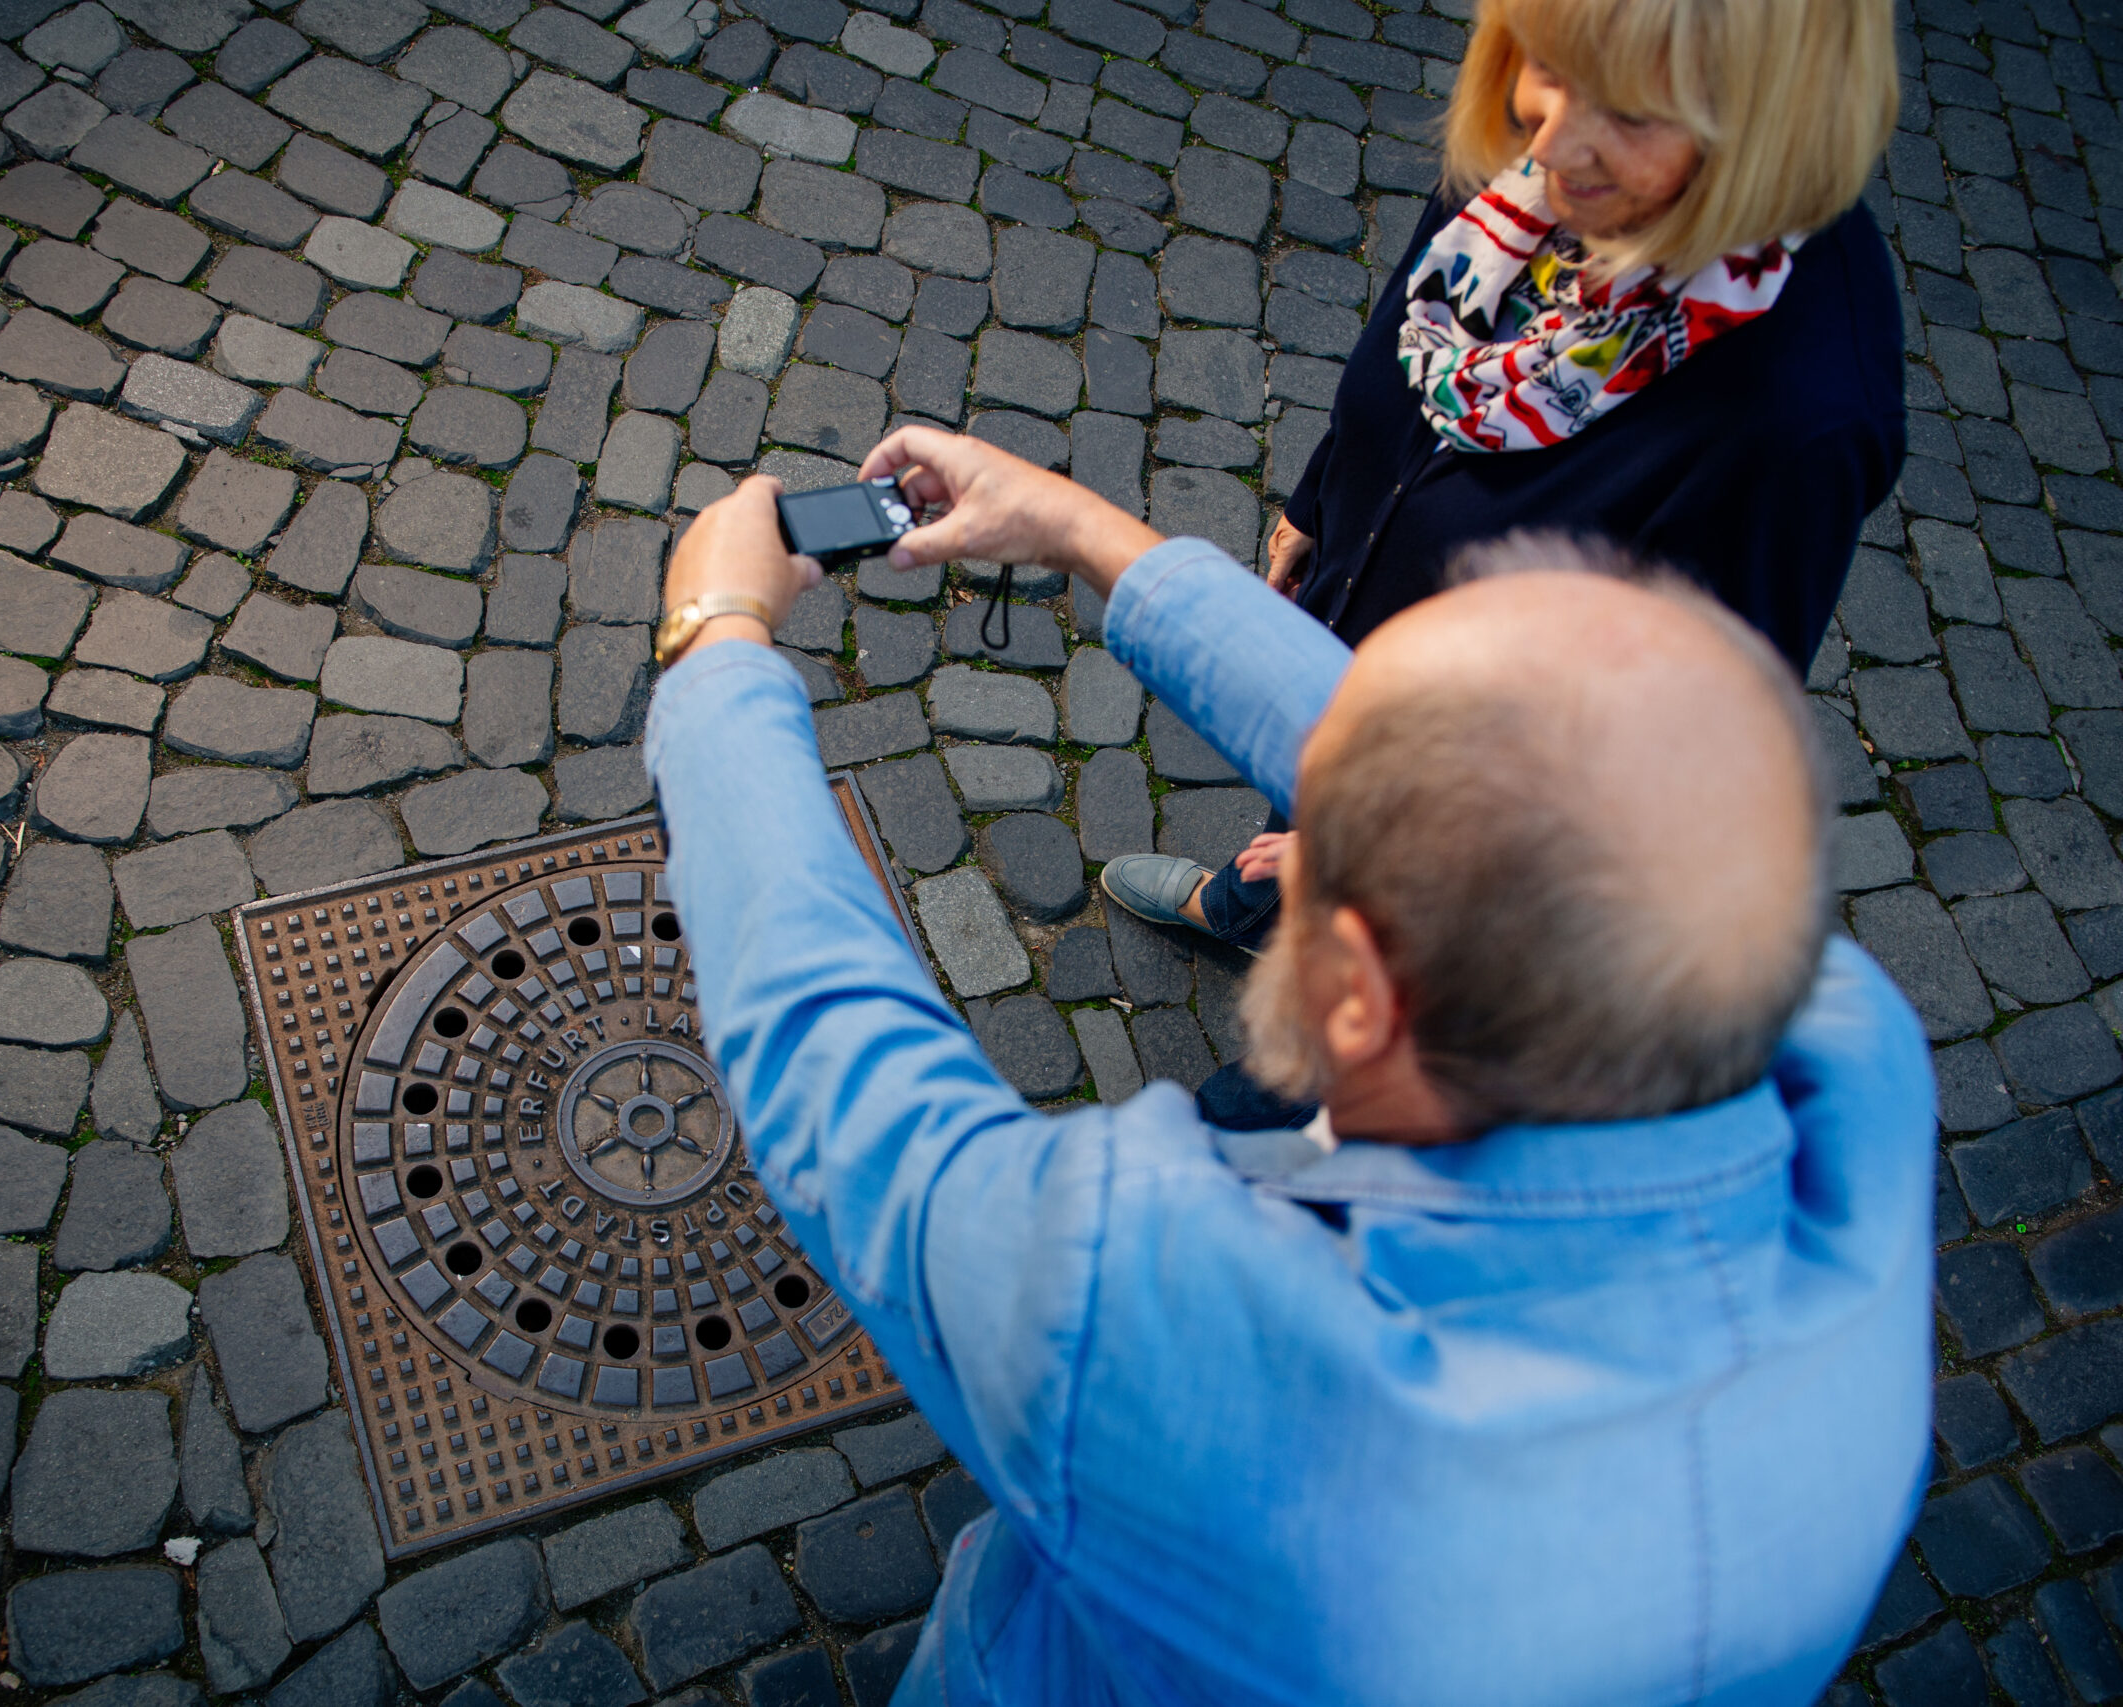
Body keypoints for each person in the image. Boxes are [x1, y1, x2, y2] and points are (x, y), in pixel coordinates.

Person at [640, 429, 1933, 1706]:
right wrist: (1084, 532)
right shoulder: (1850, 1057)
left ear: (1360, 997)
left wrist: (716, 642)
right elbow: (1461, 779)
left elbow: (844, 1082)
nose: (1290, 837)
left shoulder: (1189, 1333)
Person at [1100, 0, 1906, 1011]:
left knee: (1345, 1042)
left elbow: (1658, 771)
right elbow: (1406, 330)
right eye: (1546, 65)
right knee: (1301, 811)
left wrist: (1407, 858)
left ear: (1770, 117)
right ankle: (1255, 909)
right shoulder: (1543, 164)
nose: (1550, 138)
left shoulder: (1799, 419)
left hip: (1464, 828)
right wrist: (1324, 497)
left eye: (1633, 110)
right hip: (1359, 643)